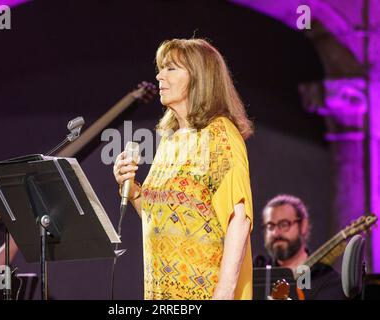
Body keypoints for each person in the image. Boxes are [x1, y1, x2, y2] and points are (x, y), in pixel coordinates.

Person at [113, 38, 254, 300]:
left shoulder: (219, 134)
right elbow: (162, 218)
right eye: (160, 68)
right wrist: (131, 190)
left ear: (199, 78)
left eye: (170, 68)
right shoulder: (171, 140)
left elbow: (239, 220)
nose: (159, 75)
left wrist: (223, 294)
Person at [259, 194, 346, 299]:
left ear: (303, 225)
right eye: (270, 226)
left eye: (284, 224)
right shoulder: (258, 269)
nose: (276, 233)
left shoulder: (327, 280)